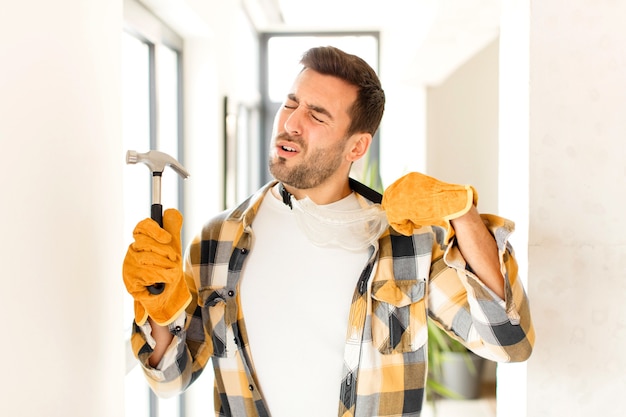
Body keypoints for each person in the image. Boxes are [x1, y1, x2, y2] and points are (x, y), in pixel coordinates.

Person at [123, 46, 534, 417]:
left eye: (317, 115)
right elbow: (170, 378)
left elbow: (508, 341)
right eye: (290, 103)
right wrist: (159, 304)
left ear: (357, 147)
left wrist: (463, 213)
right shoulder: (218, 242)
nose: (291, 123)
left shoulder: (405, 243)